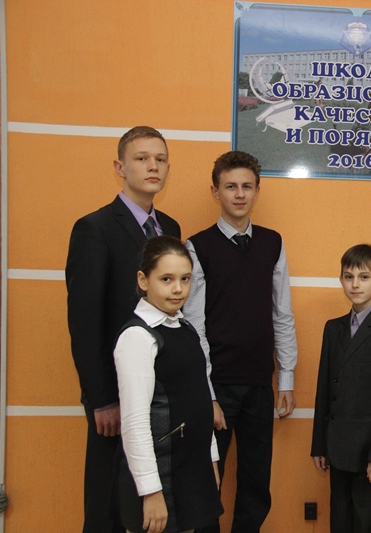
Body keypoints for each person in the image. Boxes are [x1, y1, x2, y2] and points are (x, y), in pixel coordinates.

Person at [66, 126, 181, 533]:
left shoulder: (170, 227)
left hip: (161, 387)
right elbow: (85, 322)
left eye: (160, 159)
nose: (153, 166)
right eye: (142, 158)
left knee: (152, 499)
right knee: (108, 501)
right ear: (120, 167)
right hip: (115, 392)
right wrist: (102, 399)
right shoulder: (94, 228)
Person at [183, 150, 298, 533]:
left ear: (257, 191)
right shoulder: (197, 247)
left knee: (255, 482)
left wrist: (286, 378)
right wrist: (206, 393)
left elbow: (282, 313)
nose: (239, 194)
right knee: (206, 481)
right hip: (216, 387)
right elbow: (194, 325)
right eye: (230, 186)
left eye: (247, 186)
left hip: (260, 386)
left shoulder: (272, 243)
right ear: (215, 192)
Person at [113, 236, 223, 533]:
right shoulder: (138, 337)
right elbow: (135, 423)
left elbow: (199, 403)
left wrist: (211, 461)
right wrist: (150, 491)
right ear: (143, 280)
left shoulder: (185, 329)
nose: (178, 289)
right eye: (166, 279)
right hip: (160, 478)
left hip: (190, 474)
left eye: (185, 279)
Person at [311, 244, 371, 533]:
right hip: (337, 448)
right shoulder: (333, 328)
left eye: (364, 277)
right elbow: (324, 390)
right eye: (348, 276)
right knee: (340, 524)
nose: (355, 284)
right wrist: (319, 445)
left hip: (370, 454)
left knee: (368, 526)